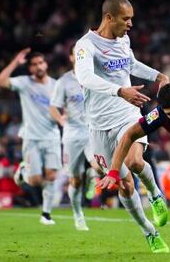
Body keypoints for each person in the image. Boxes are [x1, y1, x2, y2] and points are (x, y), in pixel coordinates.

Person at [74, 0, 169, 253]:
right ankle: (149, 231)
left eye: (131, 19)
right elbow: (85, 78)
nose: (130, 24)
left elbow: (131, 64)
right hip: (98, 125)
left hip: (127, 114)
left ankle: (155, 194)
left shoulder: (124, 40)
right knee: (124, 184)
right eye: (126, 19)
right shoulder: (85, 46)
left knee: (135, 161)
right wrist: (120, 90)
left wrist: (157, 75)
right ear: (109, 17)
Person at [0, 49, 61, 225]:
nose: (38, 66)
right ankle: (24, 171)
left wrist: (65, 118)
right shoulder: (24, 83)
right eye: (34, 64)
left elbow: (65, 107)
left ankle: (46, 214)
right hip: (31, 138)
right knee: (35, 180)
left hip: (52, 136)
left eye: (41, 62)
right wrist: (15, 62)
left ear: (46, 64)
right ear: (30, 68)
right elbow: (0, 81)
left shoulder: (56, 85)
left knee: (52, 176)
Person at [49, 45, 102, 231]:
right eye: (76, 55)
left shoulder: (95, 77)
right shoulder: (63, 82)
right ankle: (78, 214)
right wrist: (61, 120)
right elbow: (54, 107)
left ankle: (92, 174)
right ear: (72, 58)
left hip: (92, 131)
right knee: (75, 180)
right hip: (72, 135)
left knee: (100, 166)